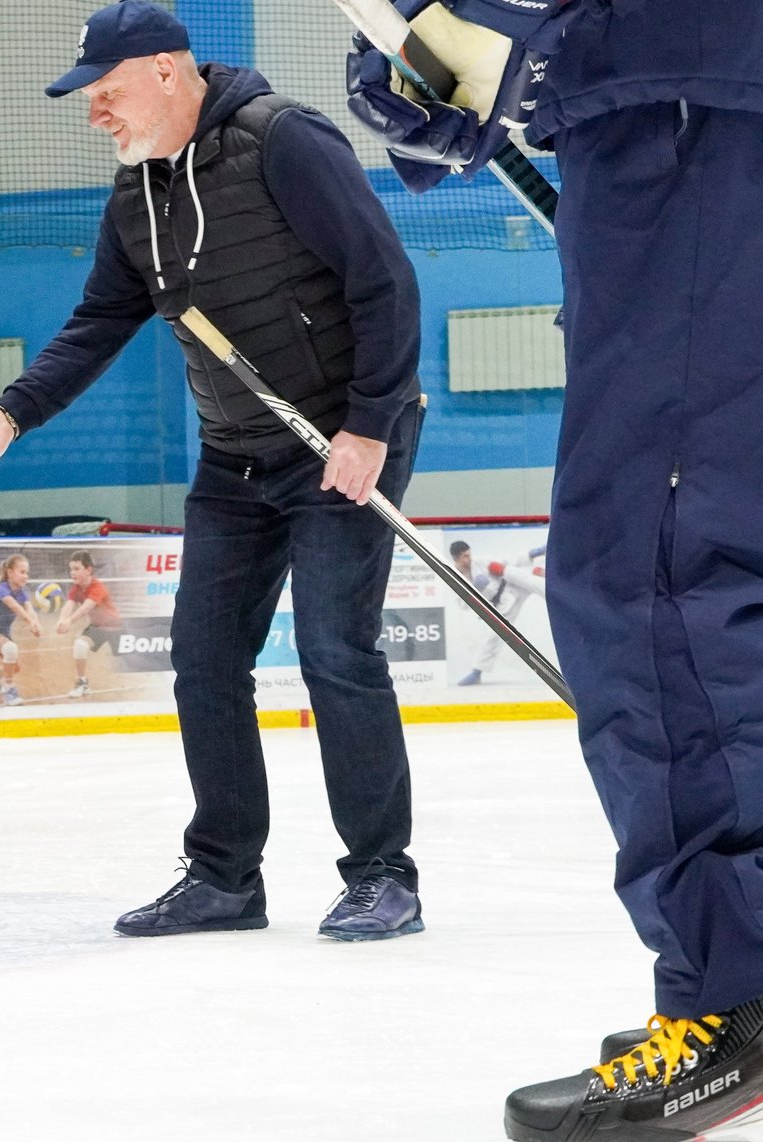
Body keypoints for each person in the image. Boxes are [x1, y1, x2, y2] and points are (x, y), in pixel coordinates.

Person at [0, 0, 428, 942]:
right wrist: (14, 411)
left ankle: (382, 875)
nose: (93, 114)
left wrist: (367, 427)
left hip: (341, 445)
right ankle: (226, 878)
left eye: (104, 92)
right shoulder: (136, 196)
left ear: (165, 70)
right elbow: (99, 322)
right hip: (237, 457)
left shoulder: (284, 140)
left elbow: (382, 279)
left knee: (335, 653)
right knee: (203, 662)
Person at [346, 1, 763, 1135]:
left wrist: (557, 28)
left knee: (653, 567)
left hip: (692, 119)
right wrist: (433, 70)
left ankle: (736, 990)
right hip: (666, 114)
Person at [447, 539, 546, 686]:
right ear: (457, 558)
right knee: (495, 636)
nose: (469, 558)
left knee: (519, 575)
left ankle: (542, 567)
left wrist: (529, 555)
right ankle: (476, 673)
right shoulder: (454, 576)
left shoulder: (480, 561)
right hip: (502, 605)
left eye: (469, 554)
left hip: (511, 583)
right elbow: (462, 605)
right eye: (465, 556)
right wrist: (476, 588)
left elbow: (508, 561)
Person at [57, 549, 125, 698]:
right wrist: (62, 620)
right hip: (97, 628)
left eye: (76, 569)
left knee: (132, 660)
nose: (72, 573)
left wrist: (69, 620)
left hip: (116, 628)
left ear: (88, 570)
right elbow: (69, 604)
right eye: (71, 569)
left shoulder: (97, 588)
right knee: (80, 646)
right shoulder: (77, 588)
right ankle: (82, 683)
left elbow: (85, 607)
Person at [0, 552, 43, 706]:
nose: (26, 576)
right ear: (10, 572)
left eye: (27, 572)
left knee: (14, 667)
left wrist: (36, 623)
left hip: (3, 633)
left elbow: (29, 609)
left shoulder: (22, 591)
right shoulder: (2, 588)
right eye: (22, 572)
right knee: (11, 649)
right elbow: (15, 607)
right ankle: (9, 691)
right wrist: (29, 622)